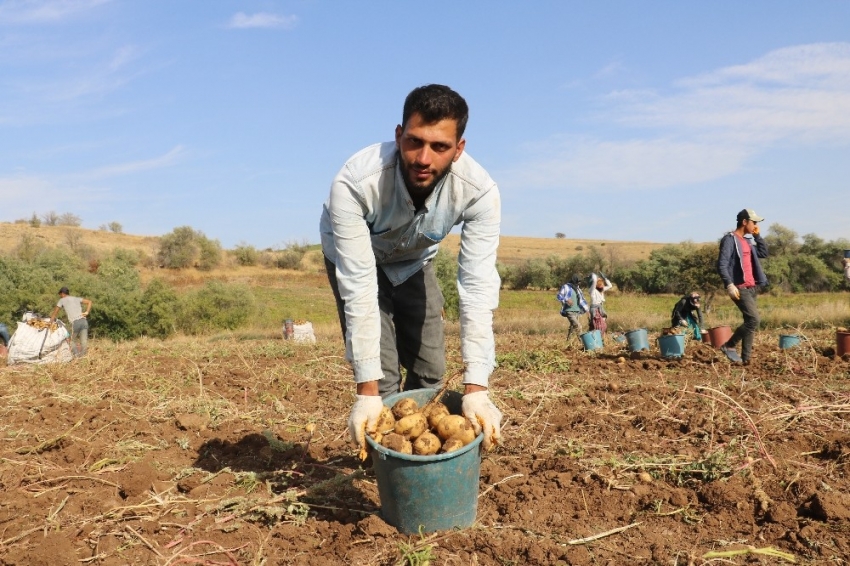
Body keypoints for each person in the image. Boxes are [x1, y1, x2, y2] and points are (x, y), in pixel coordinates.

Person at [319, 84, 503, 455]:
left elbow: (477, 287)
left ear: (459, 149)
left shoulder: (479, 191)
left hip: (414, 261)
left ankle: (432, 456)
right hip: (357, 260)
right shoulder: (356, 182)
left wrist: (477, 389)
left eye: (439, 147)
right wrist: (366, 392)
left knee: (432, 369)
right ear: (399, 135)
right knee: (383, 380)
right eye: (415, 142)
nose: (423, 158)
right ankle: (390, 461)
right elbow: (358, 286)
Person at [716, 209, 769, 365]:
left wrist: (757, 236)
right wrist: (729, 284)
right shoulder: (730, 240)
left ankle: (746, 360)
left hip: (752, 287)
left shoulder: (747, 241)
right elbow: (722, 264)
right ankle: (729, 345)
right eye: (754, 222)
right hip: (740, 287)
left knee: (749, 323)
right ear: (744, 222)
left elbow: (763, 253)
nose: (756, 225)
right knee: (754, 320)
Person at [49, 287, 92, 357]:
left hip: (75, 323)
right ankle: (84, 357)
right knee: (84, 342)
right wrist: (87, 312)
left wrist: (50, 321)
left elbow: (55, 312)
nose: (60, 296)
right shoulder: (76, 298)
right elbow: (89, 302)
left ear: (62, 294)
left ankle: (76, 356)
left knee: (71, 341)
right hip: (84, 321)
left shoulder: (62, 300)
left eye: (60, 294)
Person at [556, 274, 588, 342]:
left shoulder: (578, 289)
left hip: (577, 311)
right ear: (574, 280)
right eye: (578, 281)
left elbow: (582, 300)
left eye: (580, 281)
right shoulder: (566, 287)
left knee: (572, 328)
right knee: (578, 326)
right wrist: (566, 300)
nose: (579, 283)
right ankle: (583, 343)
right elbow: (559, 296)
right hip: (569, 311)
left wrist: (586, 309)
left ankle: (567, 342)